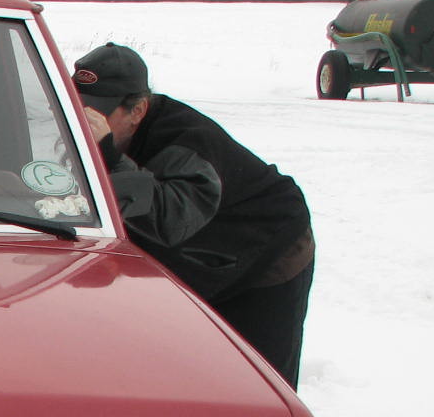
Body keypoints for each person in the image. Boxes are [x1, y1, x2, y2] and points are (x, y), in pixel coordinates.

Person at [73, 42, 315, 388]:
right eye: (76, 108)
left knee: (259, 381)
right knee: (188, 368)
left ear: (138, 110)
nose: (85, 121)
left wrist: (109, 155)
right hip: (200, 254)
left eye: (97, 113)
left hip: (268, 250)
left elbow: (172, 219)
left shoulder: (186, 143)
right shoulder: (101, 135)